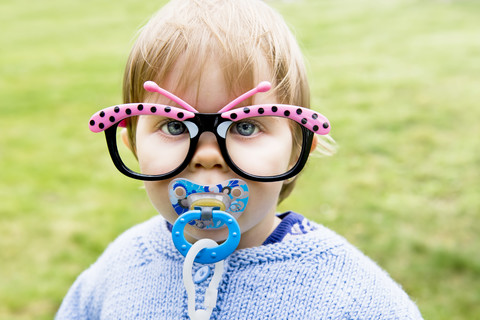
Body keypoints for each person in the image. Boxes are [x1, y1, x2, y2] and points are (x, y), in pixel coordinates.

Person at [57, 0, 423, 318]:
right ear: (133, 145)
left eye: (246, 127)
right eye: (172, 126)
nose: (206, 155)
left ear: (298, 148)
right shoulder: (117, 270)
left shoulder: (356, 298)